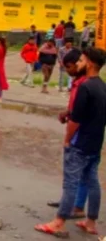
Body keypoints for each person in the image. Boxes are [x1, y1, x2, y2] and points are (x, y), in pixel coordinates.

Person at [35, 48, 106, 238]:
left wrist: (67, 139)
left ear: (90, 63)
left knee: (70, 184)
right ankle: (90, 222)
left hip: (80, 143)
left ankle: (59, 223)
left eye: (82, 59)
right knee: (92, 182)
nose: (80, 61)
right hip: (95, 142)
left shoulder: (85, 86)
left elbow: (76, 120)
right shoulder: (102, 85)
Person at [47, 49, 89, 220]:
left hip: (81, 134)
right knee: (72, 172)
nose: (69, 70)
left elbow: (81, 113)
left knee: (79, 173)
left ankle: (76, 207)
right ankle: (67, 201)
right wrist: (67, 112)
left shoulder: (85, 85)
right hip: (76, 129)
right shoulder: (78, 82)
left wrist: (67, 137)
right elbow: (75, 108)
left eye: (71, 66)